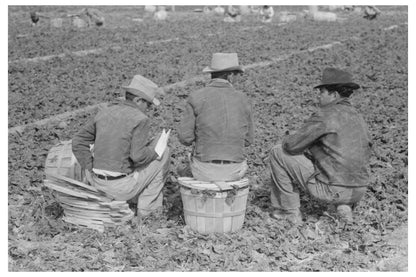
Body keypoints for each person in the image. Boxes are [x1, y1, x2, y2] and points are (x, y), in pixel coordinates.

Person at [268, 68, 371, 224]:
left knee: (277, 152)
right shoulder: (358, 116)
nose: (319, 96)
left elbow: (291, 146)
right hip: (359, 190)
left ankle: (287, 211)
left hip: (333, 189)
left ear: (334, 95)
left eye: (322, 92)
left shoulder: (325, 115)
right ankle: (342, 206)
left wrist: (292, 137)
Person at [72, 75, 170, 216]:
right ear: (138, 100)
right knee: (164, 152)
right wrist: (156, 151)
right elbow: (138, 156)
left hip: (96, 183)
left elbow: (78, 141)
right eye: (147, 104)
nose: (148, 109)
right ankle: (148, 211)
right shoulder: (140, 119)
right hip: (120, 189)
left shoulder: (105, 111)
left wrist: (90, 166)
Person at [178, 53, 254, 182]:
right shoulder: (243, 99)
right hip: (235, 170)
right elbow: (248, 140)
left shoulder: (196, 96)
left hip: (203, 170)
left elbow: (185, 138)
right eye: (236, 74)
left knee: (182, 168)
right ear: (230, 75)